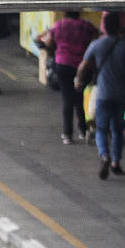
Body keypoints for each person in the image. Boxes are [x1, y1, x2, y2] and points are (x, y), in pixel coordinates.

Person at [78, 11, 125, 180]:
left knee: (101, 129)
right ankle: (116, 163)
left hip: (103, 94)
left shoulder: (96, 45)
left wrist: (78, 81)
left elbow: (83, 66)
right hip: (121, 95)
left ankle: (104, 155)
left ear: (104, 26)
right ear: (119, 26)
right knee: (118, 130)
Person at [36, 8, 96, 145]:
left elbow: (49, 44)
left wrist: (57, 52)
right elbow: (94, 42)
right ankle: (83, 130)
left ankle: (67, 134)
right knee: (79, 97)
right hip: (83, 66)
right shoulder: (87, 26)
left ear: (65, 12)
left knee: (67, 99)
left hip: (63, 65)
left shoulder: (58, 25)